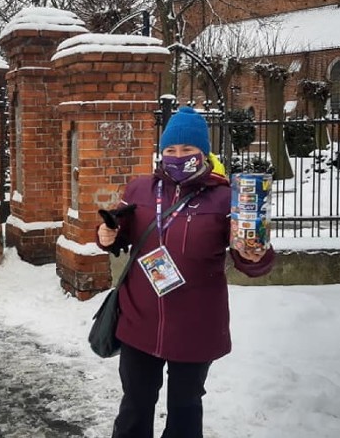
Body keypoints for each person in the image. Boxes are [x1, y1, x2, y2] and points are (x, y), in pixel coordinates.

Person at [96, 106, 276, 438]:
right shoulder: (139, 189)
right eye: (170, 150)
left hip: (196, 324)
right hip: (140, 318)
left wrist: (255, 253)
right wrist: (106, 234)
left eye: (187, 150)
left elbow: (252, 263)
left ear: (203, 152)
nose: (177, 156)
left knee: (185, 409)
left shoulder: (225, 199)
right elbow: (118, 228)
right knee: (135, 405)